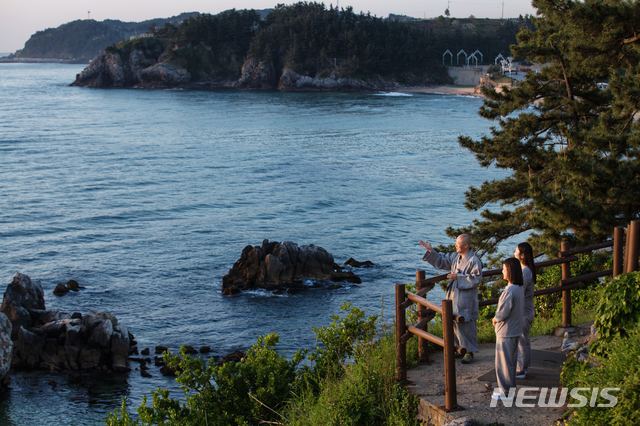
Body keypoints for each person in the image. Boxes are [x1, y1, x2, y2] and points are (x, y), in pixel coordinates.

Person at [419, 234, 482, 364]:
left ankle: (468, 352)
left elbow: (476, 279)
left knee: (465, 325)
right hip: (454, 296)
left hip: (465, 298)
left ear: (466, 246)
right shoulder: (455, 257)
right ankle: (458, 349)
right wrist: (431, 251)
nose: (455, 245)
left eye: (458, 244)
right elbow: (442, 261)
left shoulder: (474, 261)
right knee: (454, 324)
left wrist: (458, 278)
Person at [492, 258, 524, 402]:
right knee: (510, 362)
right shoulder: (519, 288)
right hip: (515, 329)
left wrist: (495, 318)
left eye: (504, 268)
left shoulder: (510, 290)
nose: (502, 271)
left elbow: (503, 312)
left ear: (510, 270)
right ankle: (509, 390)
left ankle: (505, 392)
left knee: (503, 363)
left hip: (506, 331)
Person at [514, 242, 536, 379]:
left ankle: (521, 369)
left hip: (524, 311)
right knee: (524, 339)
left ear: (522, 255)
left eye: (516, 251)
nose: (514, 253)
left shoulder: (525, 271)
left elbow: (519, 291)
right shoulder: (527, 269)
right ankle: (524, 366)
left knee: (521, 340)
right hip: (527, 310)